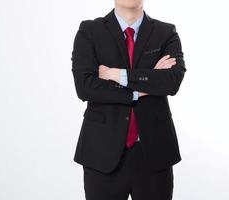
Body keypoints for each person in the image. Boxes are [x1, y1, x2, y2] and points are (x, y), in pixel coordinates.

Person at [71, 0, 186, 199]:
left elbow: (171, 82)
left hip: (154, 153)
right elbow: (85, 87)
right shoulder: (89, 30)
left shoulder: (166, 32)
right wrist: (142, 88)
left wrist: (116, 74)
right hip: (102, 153)